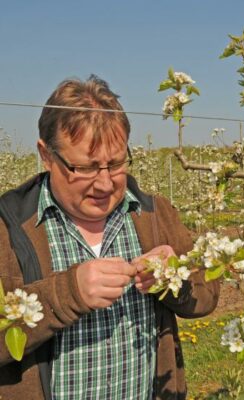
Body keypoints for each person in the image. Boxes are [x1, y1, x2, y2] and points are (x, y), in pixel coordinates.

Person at [0, 75, 220, 399]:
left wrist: (174, 279)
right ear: (46, 156)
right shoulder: (10, 227)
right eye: (86, 168)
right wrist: (67, 293)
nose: (105, 184)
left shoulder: (153, 214)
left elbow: (207, 296)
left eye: (115, 163)